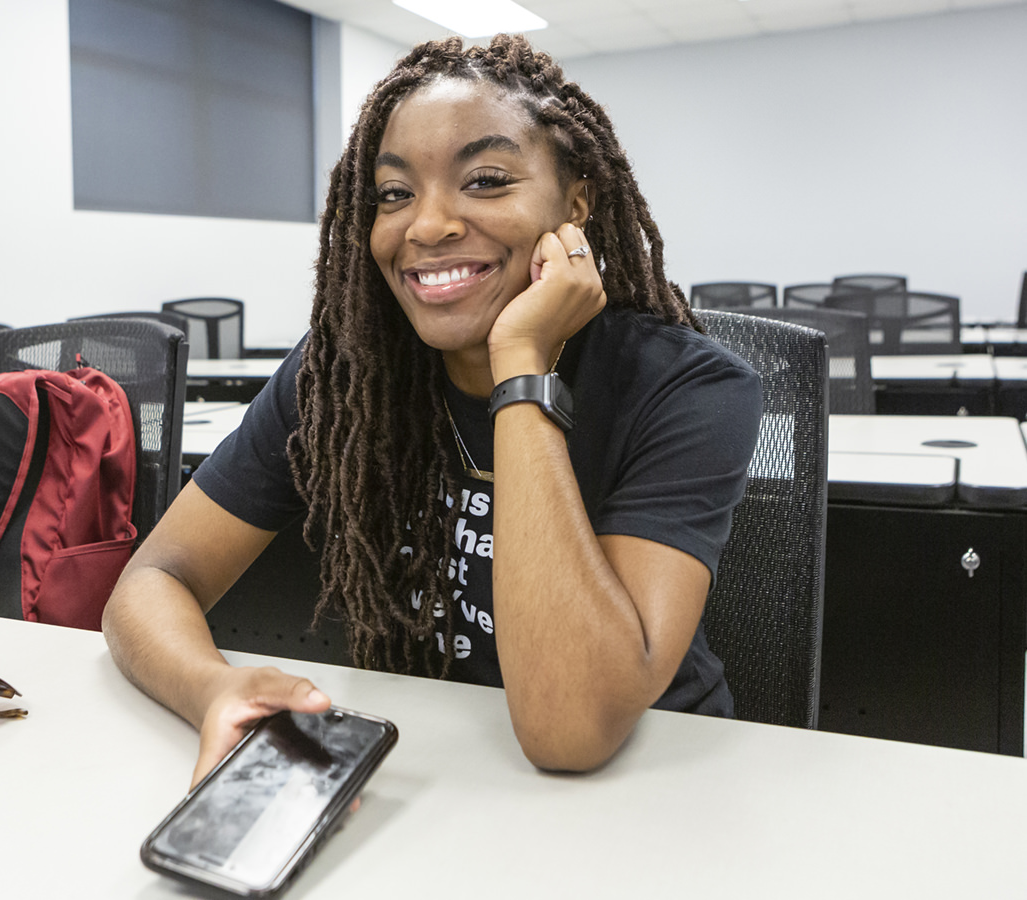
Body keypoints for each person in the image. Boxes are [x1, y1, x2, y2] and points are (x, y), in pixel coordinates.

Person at [103, 34, 762, 779]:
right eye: (394, 193)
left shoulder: (688, 387)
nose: (426, 225)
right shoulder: (342, 378)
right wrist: (211, 688)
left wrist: (521, 364)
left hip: (653, 778)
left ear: (575, 202)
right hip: (427, 763)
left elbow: (570, 732)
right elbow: (151, 581)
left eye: (485, 180)